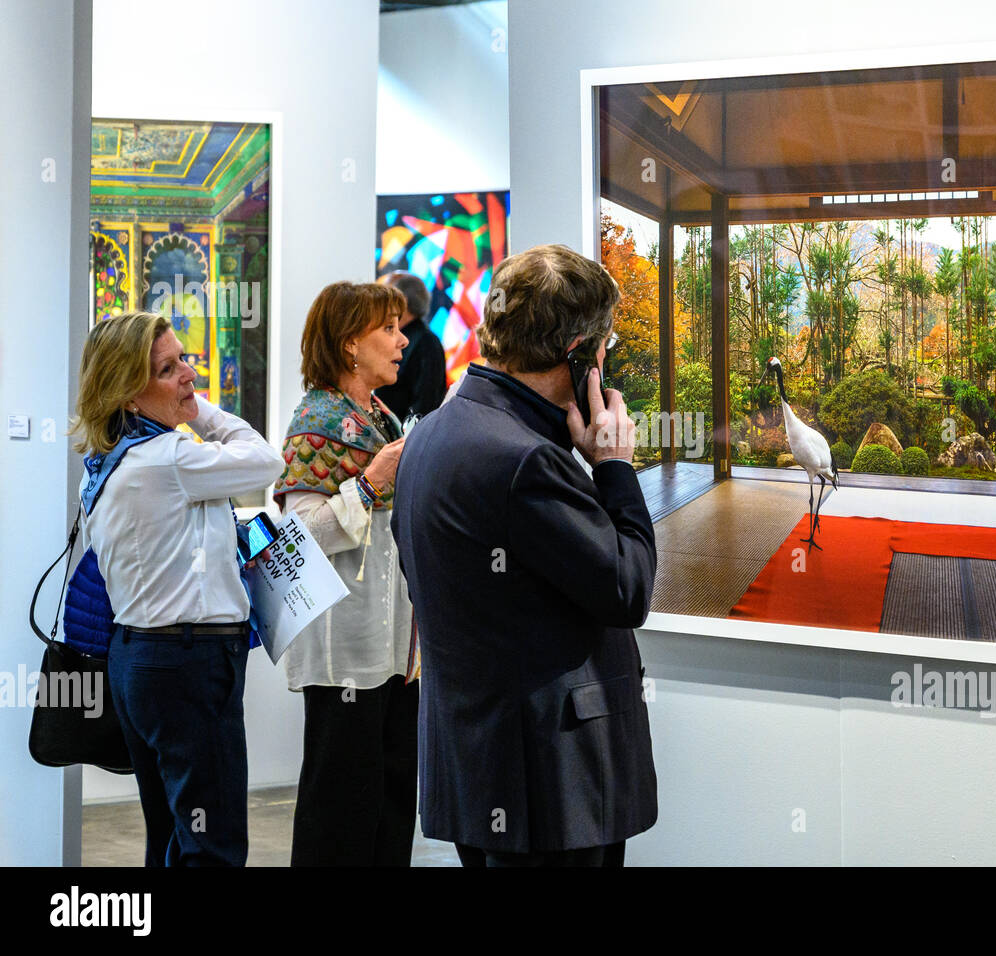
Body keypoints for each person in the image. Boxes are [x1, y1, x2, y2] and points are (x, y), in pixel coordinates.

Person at [392, 244, 658, 867]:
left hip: (480, 771)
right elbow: (628, 589)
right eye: (605, 348)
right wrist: (615, 466)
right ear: (580, 353)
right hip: (547, 784)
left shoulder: (432, 433)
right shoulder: (525, 459)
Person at [71, 311, 282, 866]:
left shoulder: (108, 460)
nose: (188, 373)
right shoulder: (168, 458)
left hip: (140, 657)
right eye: (168, 369)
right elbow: (266, 461)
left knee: (171, 832)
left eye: (183, 358)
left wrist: (176, 397)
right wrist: (200, 411)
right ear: (128, 395)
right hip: (187, 662)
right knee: (211, 845)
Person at [273, 280, 419, 866]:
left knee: (388, 804)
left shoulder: (380, 416)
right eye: (388, 329)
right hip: (344, 654)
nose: (402, 340)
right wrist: (371, 481)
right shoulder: (316, 420)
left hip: (393, 651)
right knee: (340, 812)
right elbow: (300, 534)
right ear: (349, 344)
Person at [373, 270, 447, 424]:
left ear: (402, 302)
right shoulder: (393, 339)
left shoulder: (427, 343)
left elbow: (425, 405)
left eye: (385, 298)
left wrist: (405, 440)